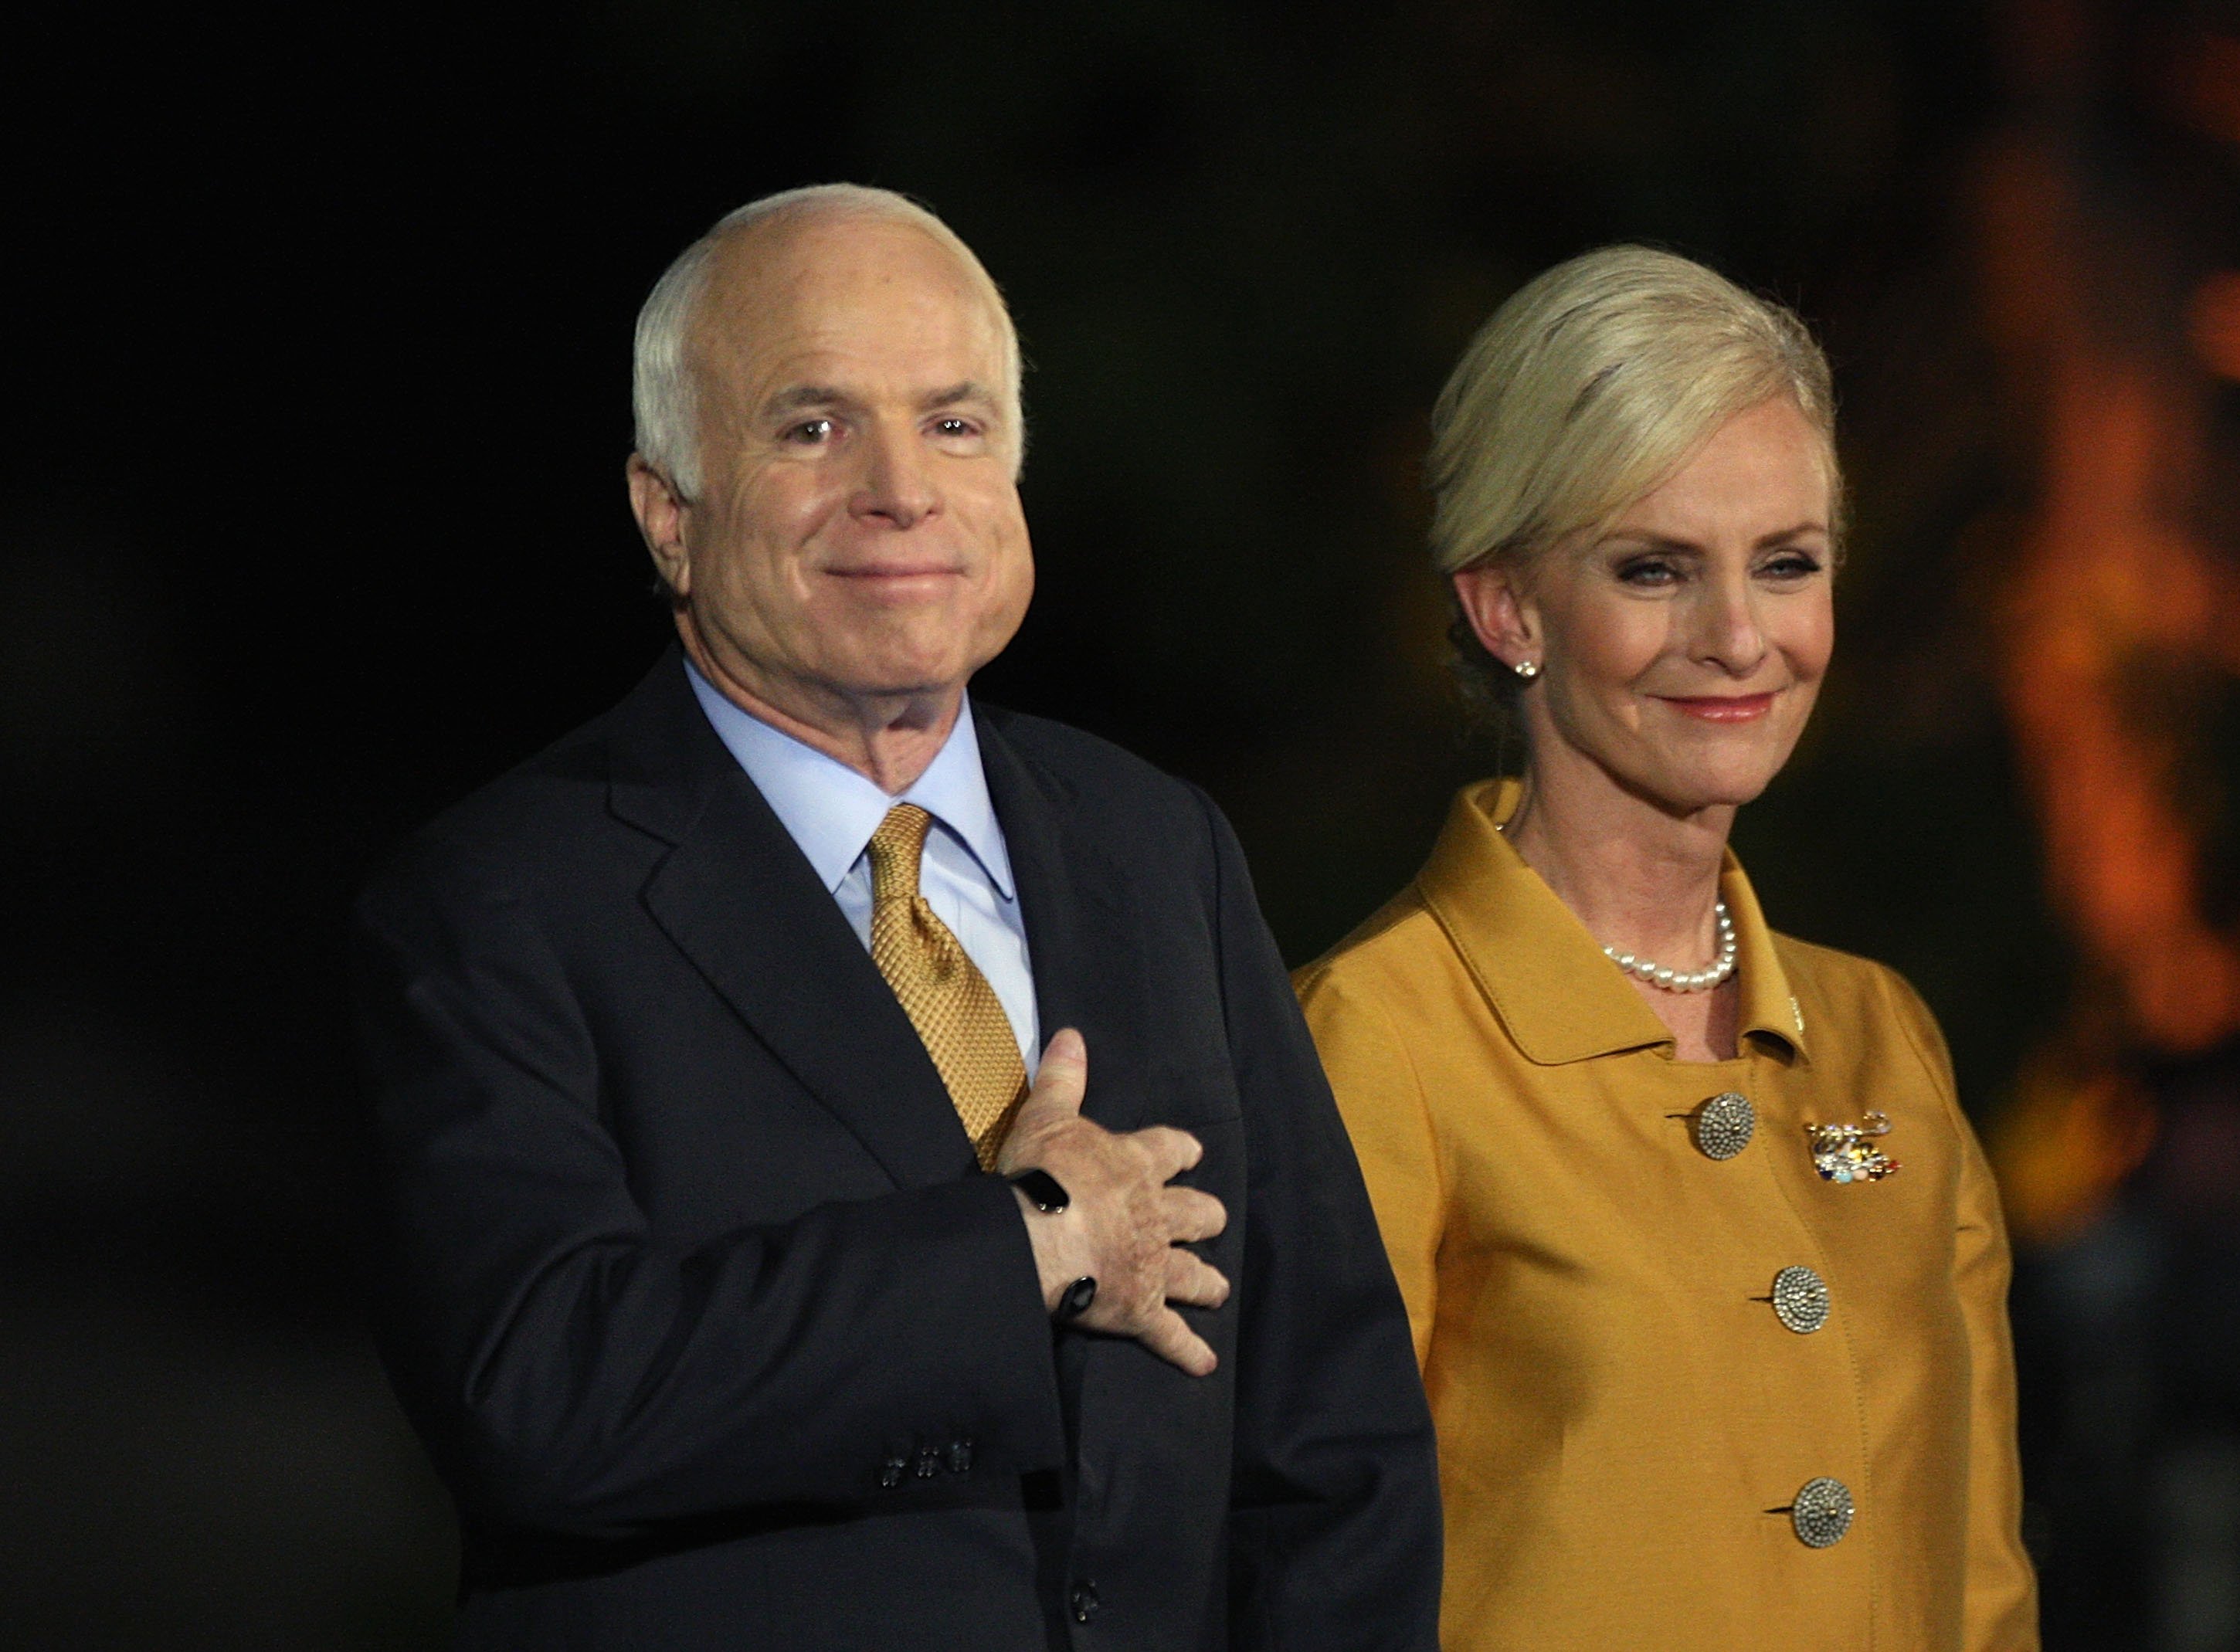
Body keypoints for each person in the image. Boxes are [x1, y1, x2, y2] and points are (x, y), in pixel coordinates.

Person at [353, 184, 1441, 1651]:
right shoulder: (495, 901)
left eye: (954, 422)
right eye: (812, 427)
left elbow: (1333, 1437)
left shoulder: (1157, 844)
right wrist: (1028, 1251)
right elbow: (544, 1397)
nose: (901, 489)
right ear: (667, 511)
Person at [1295, 246, 2038, 1651]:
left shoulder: (1888, 1037)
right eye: (1655, 570)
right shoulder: (1372, 1037)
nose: (1741, 638)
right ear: (1506, 607)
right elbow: (1311, 1583)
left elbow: (1982, 1581)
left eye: (1786, 564)